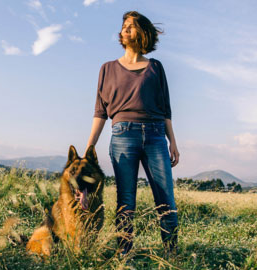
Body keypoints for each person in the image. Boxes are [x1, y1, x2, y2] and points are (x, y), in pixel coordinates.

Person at [86, 11, 180, 256]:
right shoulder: (106, 69)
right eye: (123, 26)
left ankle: (171, 253)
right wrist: (90, 146)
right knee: (126, 201)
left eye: (131, 26)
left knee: (165, 198)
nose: (125, 30)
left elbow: (166, 108)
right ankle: (124, 254)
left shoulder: (156, 68)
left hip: (156, 135)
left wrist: (173, 142)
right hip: (122, 136)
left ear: (143, 32)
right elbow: (100, 112)